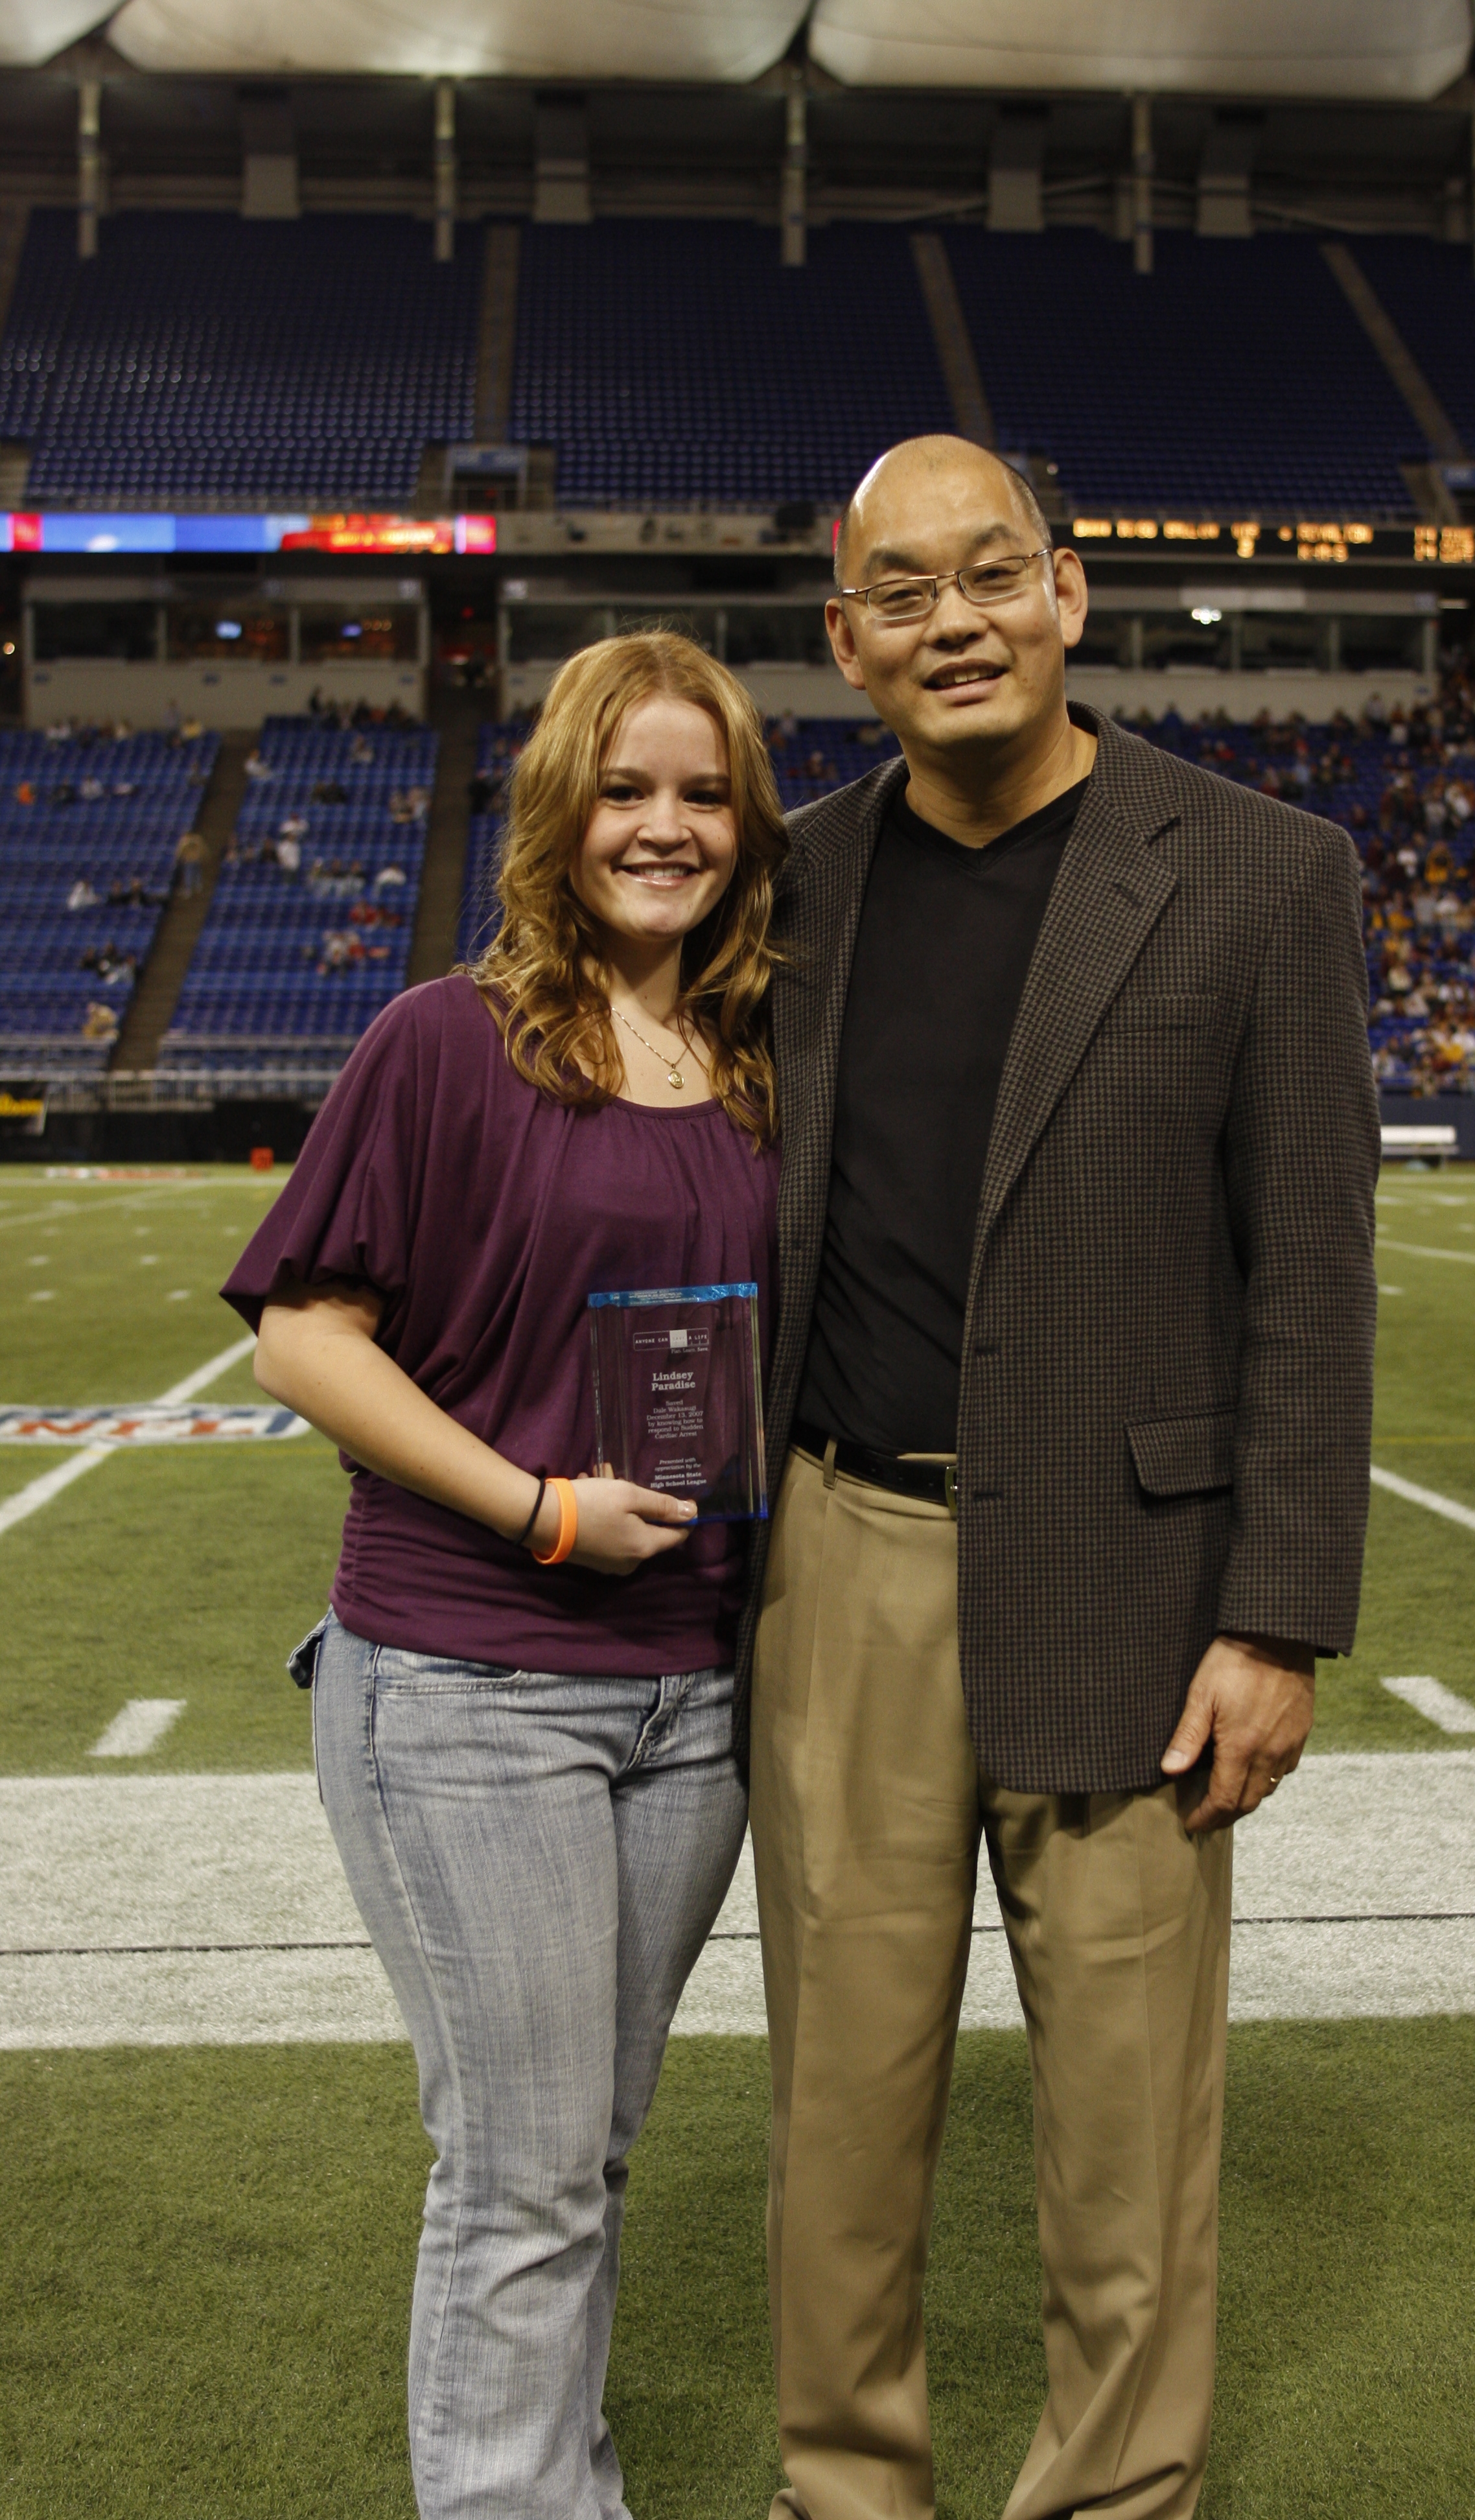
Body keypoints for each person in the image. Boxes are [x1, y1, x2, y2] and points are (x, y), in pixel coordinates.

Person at [743, 438, 1377, 2520]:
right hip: (848, 1563)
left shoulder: (1265, 875)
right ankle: (853, 2495)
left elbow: (1314, 1276)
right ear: (846, 643)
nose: (953, 621)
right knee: (841, 2128)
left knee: (1126, 2147)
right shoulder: (799, 879)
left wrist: (1277, 1618)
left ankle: (1114, 2502)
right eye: (899, 592)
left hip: (1137, 1581)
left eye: (988, 573)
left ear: (1071, 591)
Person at [220, 631, 785, 2520]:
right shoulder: (444, 1040)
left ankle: (560, 2484)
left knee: (585, 2153)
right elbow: (304, 1339)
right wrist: (538, 1507)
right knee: (524, 2166)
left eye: (702, 792)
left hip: (696, 1691)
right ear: (560, 806)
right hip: (476, 1678)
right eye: (626, 787)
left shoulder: (768, 1050)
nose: (665, 826)